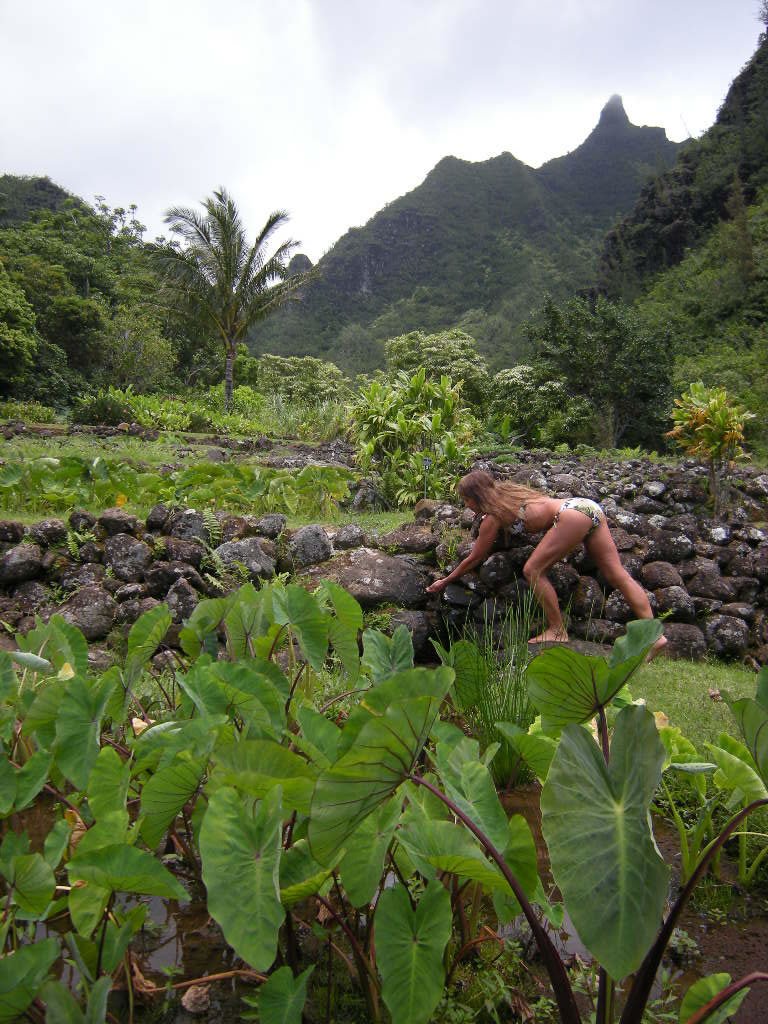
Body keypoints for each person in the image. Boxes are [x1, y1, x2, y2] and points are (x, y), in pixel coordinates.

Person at [426, 470, 666, 653]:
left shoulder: (493, 517)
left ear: (475, 496)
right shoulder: (510, 493)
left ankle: (557, 630)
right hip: (585, 507)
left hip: (570, 516)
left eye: (466, 499)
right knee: (617, 574)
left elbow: (475, 557)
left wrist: (446, 581)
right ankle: (655, 635)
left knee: (533, 570)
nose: (465, 505)